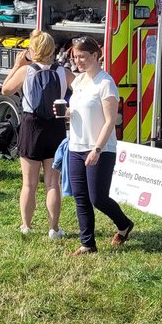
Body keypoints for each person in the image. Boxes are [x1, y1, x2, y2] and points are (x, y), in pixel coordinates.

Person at [64, 36, 134, 255]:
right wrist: (65, 113)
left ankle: (124, 224)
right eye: (75, 57)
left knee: (98, 198)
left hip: (100, 148)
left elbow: (110, 120)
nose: (78, 61)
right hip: (75, 146)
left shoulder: (106, 83)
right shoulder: (77, 81)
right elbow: (78, 111)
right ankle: (88, 244)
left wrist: (97, 149)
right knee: (80, 197)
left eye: (82, 57)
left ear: (96, 55)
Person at [2, 30, 72, 238]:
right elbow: (82, 89)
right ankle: (54, 229)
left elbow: (6, 90)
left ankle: (26, 226)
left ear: (33, 50)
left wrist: (17, 65)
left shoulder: (27, 71)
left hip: (31, 126)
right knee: (53, 183)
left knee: (29, 183)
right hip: (55, 126)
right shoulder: (63, 72)